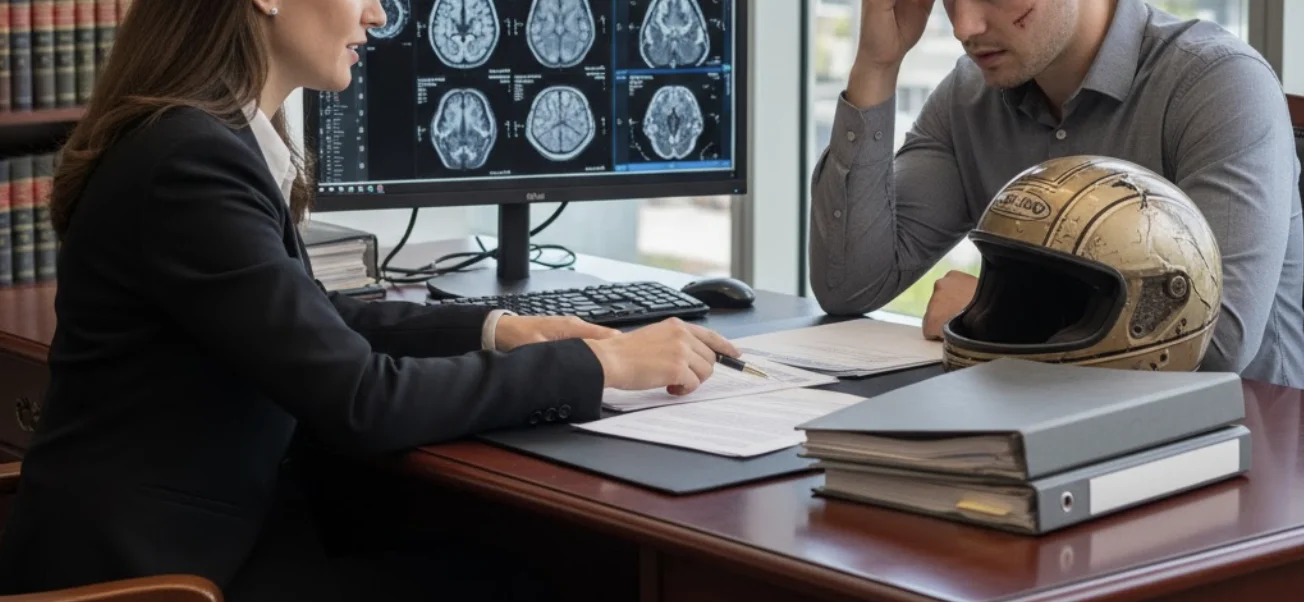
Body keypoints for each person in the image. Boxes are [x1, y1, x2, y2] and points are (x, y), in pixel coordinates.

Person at [0, 1, 741, 600]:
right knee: (547, 578)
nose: (381, 15)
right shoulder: (189, 162)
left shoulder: (201, 138)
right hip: (159, 576)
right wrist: (598, 365)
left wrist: (501, 330)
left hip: (210, 540)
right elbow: (361, 400)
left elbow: (317, 319)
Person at [808, 0, 1304, 387]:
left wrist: (996, 308)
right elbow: (850, 285)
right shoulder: (968, 98)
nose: (964, 26)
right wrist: (876, 65)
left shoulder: (1220, 83)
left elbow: (1215, 342)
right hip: (1038, 434)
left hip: (1240, 461)